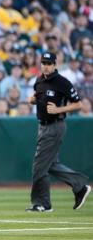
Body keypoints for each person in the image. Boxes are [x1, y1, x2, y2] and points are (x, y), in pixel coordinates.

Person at [26, 52, 90, 212]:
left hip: (55, 125)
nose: (45, 66)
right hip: (42, 126)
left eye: (48, 63)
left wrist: (58, 109)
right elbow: (37, 96)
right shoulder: (39, 80)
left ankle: (41, 203)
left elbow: (78, 104)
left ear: (55, 65)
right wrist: (33, 100)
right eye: (43, 63)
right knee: (51, 164)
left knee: (39, 166)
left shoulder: (62, 82)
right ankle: (79, 186)